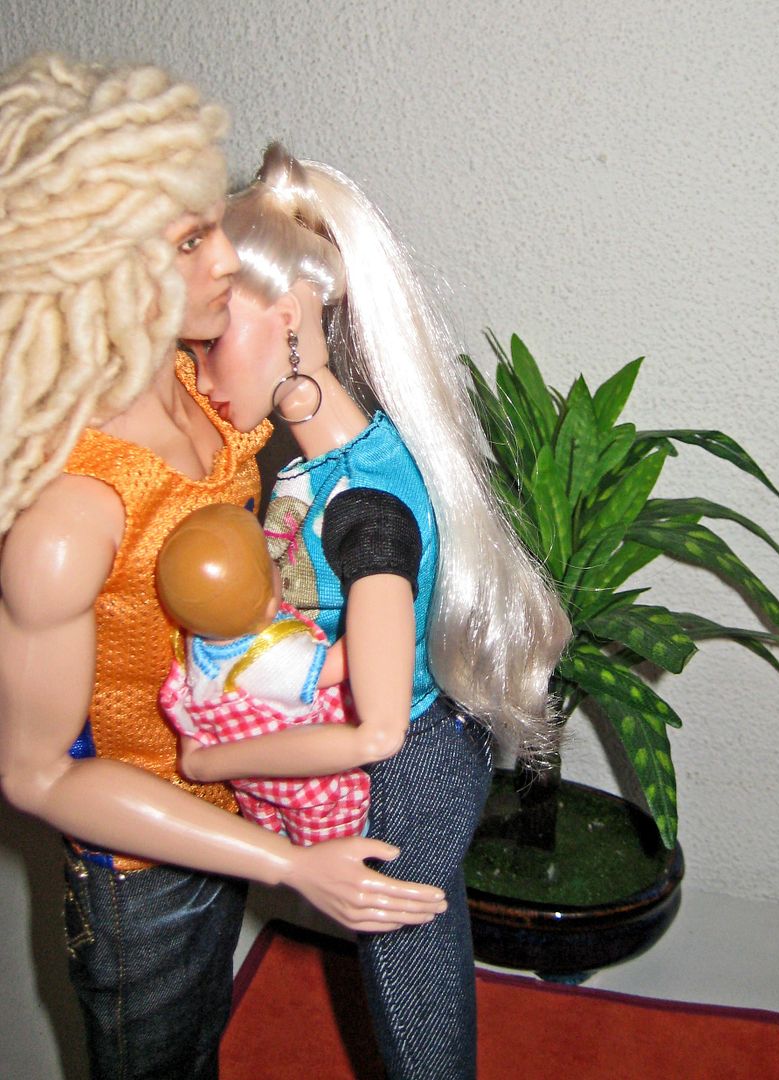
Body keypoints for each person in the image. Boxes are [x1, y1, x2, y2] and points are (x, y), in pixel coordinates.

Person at [0, 55, 445, 1080]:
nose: (226, 257)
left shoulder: (191, 382)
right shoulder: (71, 521)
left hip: (237, 791)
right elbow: (35, 773)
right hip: (143, 868)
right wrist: (289, 866)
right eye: (192, 240)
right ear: (102, 271)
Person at [192, 143, 572, 1079]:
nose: (199, 373)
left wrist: (207, 760)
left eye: (211, 340)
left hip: (408, 771)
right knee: (421, 983)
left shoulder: (364, 509)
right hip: (419, 751)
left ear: (288, 320)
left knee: (413, 1012)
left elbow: (376, 728)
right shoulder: (344, 458)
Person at [157, 502, 370, 843]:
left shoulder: (197, 645)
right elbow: (339, 664)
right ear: (271, 603)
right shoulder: (275, 658)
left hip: (252, 781)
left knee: (268, 826)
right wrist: (373, 608)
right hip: (308, 785)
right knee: (330, 828)